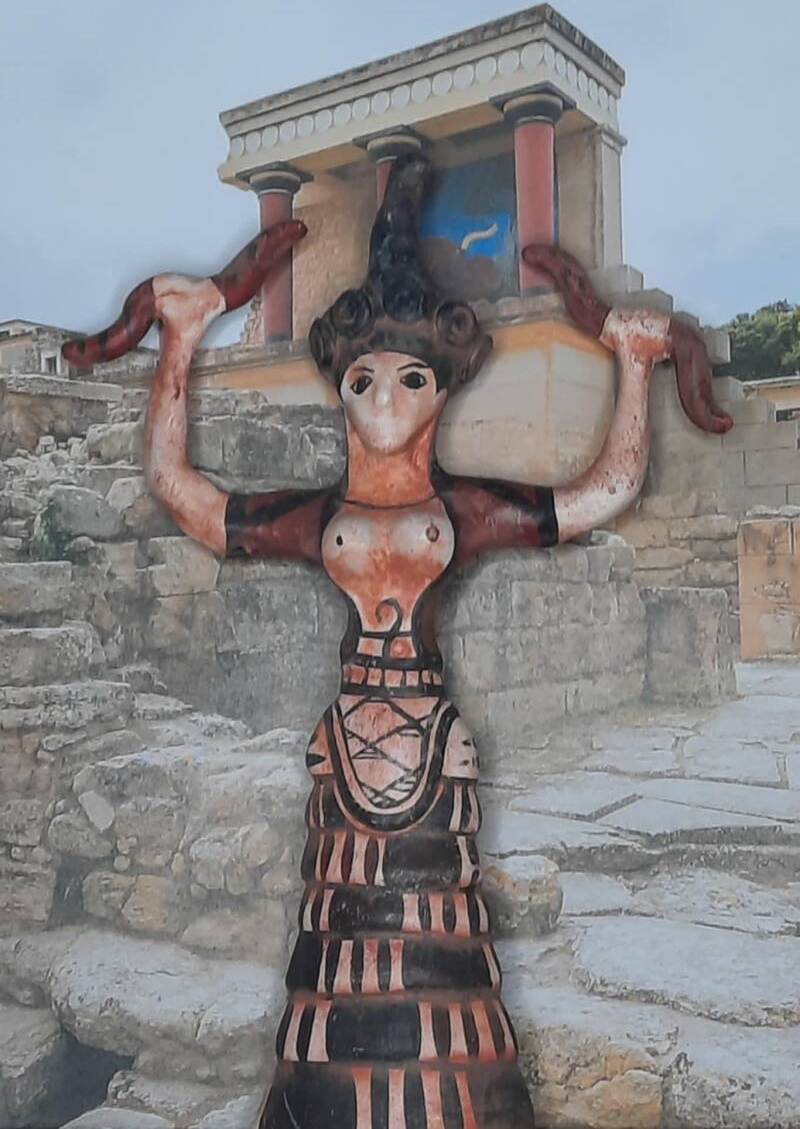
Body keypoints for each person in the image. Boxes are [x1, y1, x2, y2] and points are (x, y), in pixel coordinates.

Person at [65, 153, 730, 1128]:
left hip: (427, 748)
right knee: (335, 965)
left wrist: (632, 367)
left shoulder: (464, 511)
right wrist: (182, 341)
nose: (385, 394)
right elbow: (184, 492)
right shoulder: (317, 516)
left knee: (443, 962)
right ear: (341, 384)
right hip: (349, 752)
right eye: (365, 375)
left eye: (411, 376)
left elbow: (604, 490)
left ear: (442, 389)